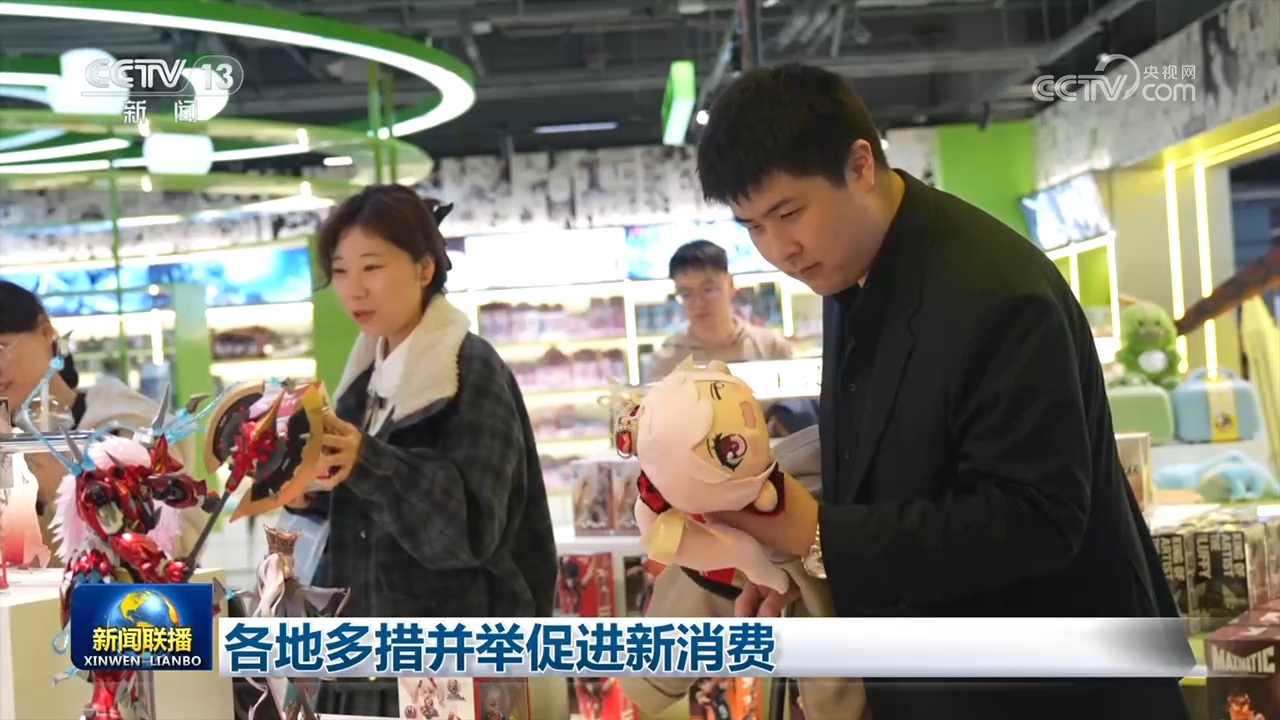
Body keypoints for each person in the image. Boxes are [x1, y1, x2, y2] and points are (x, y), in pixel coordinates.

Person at [694, 63, 1191, 720]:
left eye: (788, 212)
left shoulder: (995, 293)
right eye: (753, 226)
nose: (779, 248)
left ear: (860, 166)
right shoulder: (849, 271)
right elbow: (896, 472)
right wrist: (801, 564)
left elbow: (1036, 520)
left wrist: (818, 536)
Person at [295, 185, 557, 716]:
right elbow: (374, 516)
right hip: (365, 664)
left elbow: (470, 529)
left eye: (372, 267)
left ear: (424, 268)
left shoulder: (469, 370)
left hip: (454, 664)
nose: (354, 289)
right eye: (340, 271)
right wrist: (310, 493)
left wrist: (366, 461)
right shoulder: (363, 382)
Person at [0, 281, 206, 559]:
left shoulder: (127, 426)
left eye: (1, 347)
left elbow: (177, 547)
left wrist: (65, 492)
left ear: (46, 332)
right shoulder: (9, 444)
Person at [647, 239, 792, 380]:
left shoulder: (770, 347)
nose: (699, 303)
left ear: (730, 284)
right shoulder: (665, 363)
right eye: (686, 294)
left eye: (708, 290)